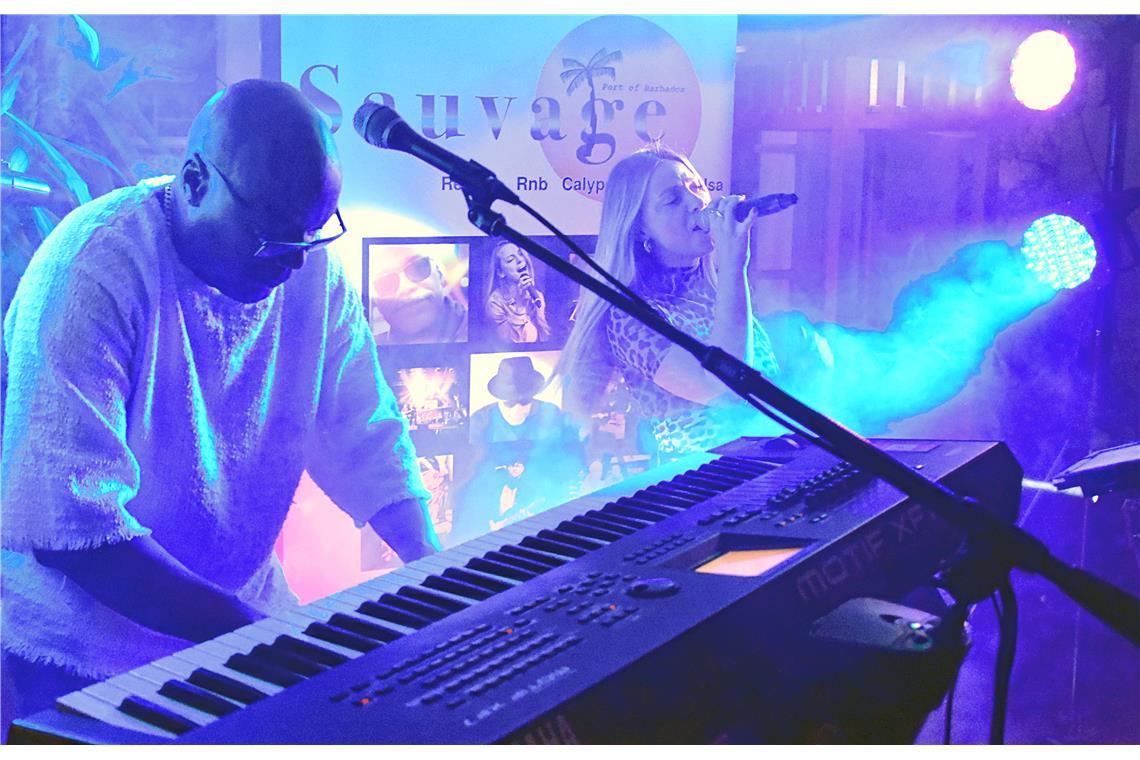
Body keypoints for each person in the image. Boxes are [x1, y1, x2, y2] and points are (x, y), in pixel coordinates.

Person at [0, 79, 440, 739]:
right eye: (269, 239)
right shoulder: (93, 270)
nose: (294, 265)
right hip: (79, 651)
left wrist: (435, 571)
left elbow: (363, 434)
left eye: (311, 236)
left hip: (232, 615)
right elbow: (73, 533)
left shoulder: (305, 262)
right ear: (194, 181)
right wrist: (256, 641)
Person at [556, 144, 780, 457]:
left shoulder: (716, 290)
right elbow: (726, 391)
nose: (697, 202)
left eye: (696, 187)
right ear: (640, 229)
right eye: (673, 199)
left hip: (771, 464)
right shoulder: (629, 315)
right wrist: (733, 265)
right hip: (708, 476)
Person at [370, 246, 467, 344]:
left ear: (439, 273)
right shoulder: (365, 349)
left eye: (418, 268)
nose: (406, 287)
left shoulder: (476, 330)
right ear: (375, 301)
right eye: (385, 282)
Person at [484, 241, 550, 344]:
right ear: (501, 272)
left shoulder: (537, 296)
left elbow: (544, 337)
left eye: (520, 254)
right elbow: (511, 342)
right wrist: (520, 305)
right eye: (511, 259)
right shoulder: (494, 302)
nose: (520, 260)